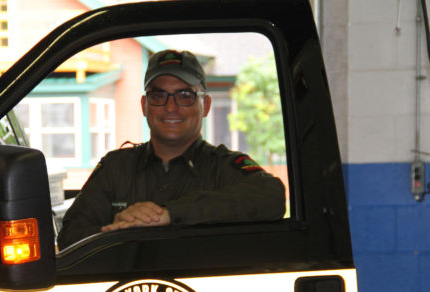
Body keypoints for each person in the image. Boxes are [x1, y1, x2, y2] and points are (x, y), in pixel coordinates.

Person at [57, 49, 285, 249]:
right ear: (144, 106)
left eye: (185, 96)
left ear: (204, 106)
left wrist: (171, 213)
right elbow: (69, 238)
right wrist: (120, 230)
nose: (171, 107)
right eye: (159, 96)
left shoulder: (224, 167)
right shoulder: (116, 168)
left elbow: (272, 197)